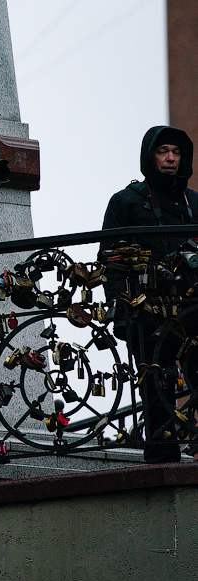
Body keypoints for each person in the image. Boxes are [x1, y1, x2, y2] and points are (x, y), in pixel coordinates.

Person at [100, 125, 198, 464]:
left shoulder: (194, 202)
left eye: (176, 152)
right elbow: (110, 262)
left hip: (191, 311)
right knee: (157, 389)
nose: (170, 158)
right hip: (147, 313)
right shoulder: (126, 202)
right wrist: (121, 311)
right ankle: (162, 461)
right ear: (149, 156)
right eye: (163, 151)